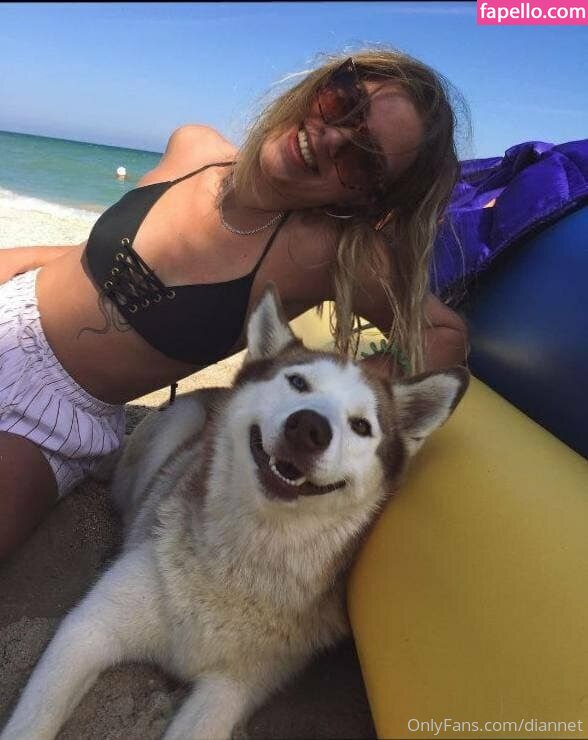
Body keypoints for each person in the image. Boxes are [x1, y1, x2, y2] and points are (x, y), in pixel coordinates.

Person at [0, 48, 469, 561]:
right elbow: (94, 260)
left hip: (54, 418)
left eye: (363, 159)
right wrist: (17, 261)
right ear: (321, 84)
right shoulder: (193, 147)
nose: (331, 137)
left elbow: (441, 332)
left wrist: (352, 397)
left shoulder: (323, 254)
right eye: (344, 100)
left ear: (364, 198)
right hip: (11, 309)